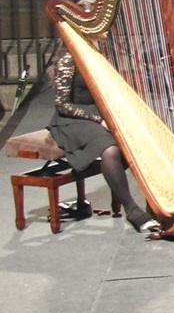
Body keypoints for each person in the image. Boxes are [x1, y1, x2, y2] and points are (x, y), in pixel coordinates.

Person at [46, 48, 147, 230]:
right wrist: (97, 120)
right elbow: (62, 104)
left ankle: (155, 204)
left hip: (101, 114)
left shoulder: (101, 54)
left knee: (138, 138)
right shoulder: (69, 59)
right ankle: (132, 210)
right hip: (73, 120)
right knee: (110, 149)